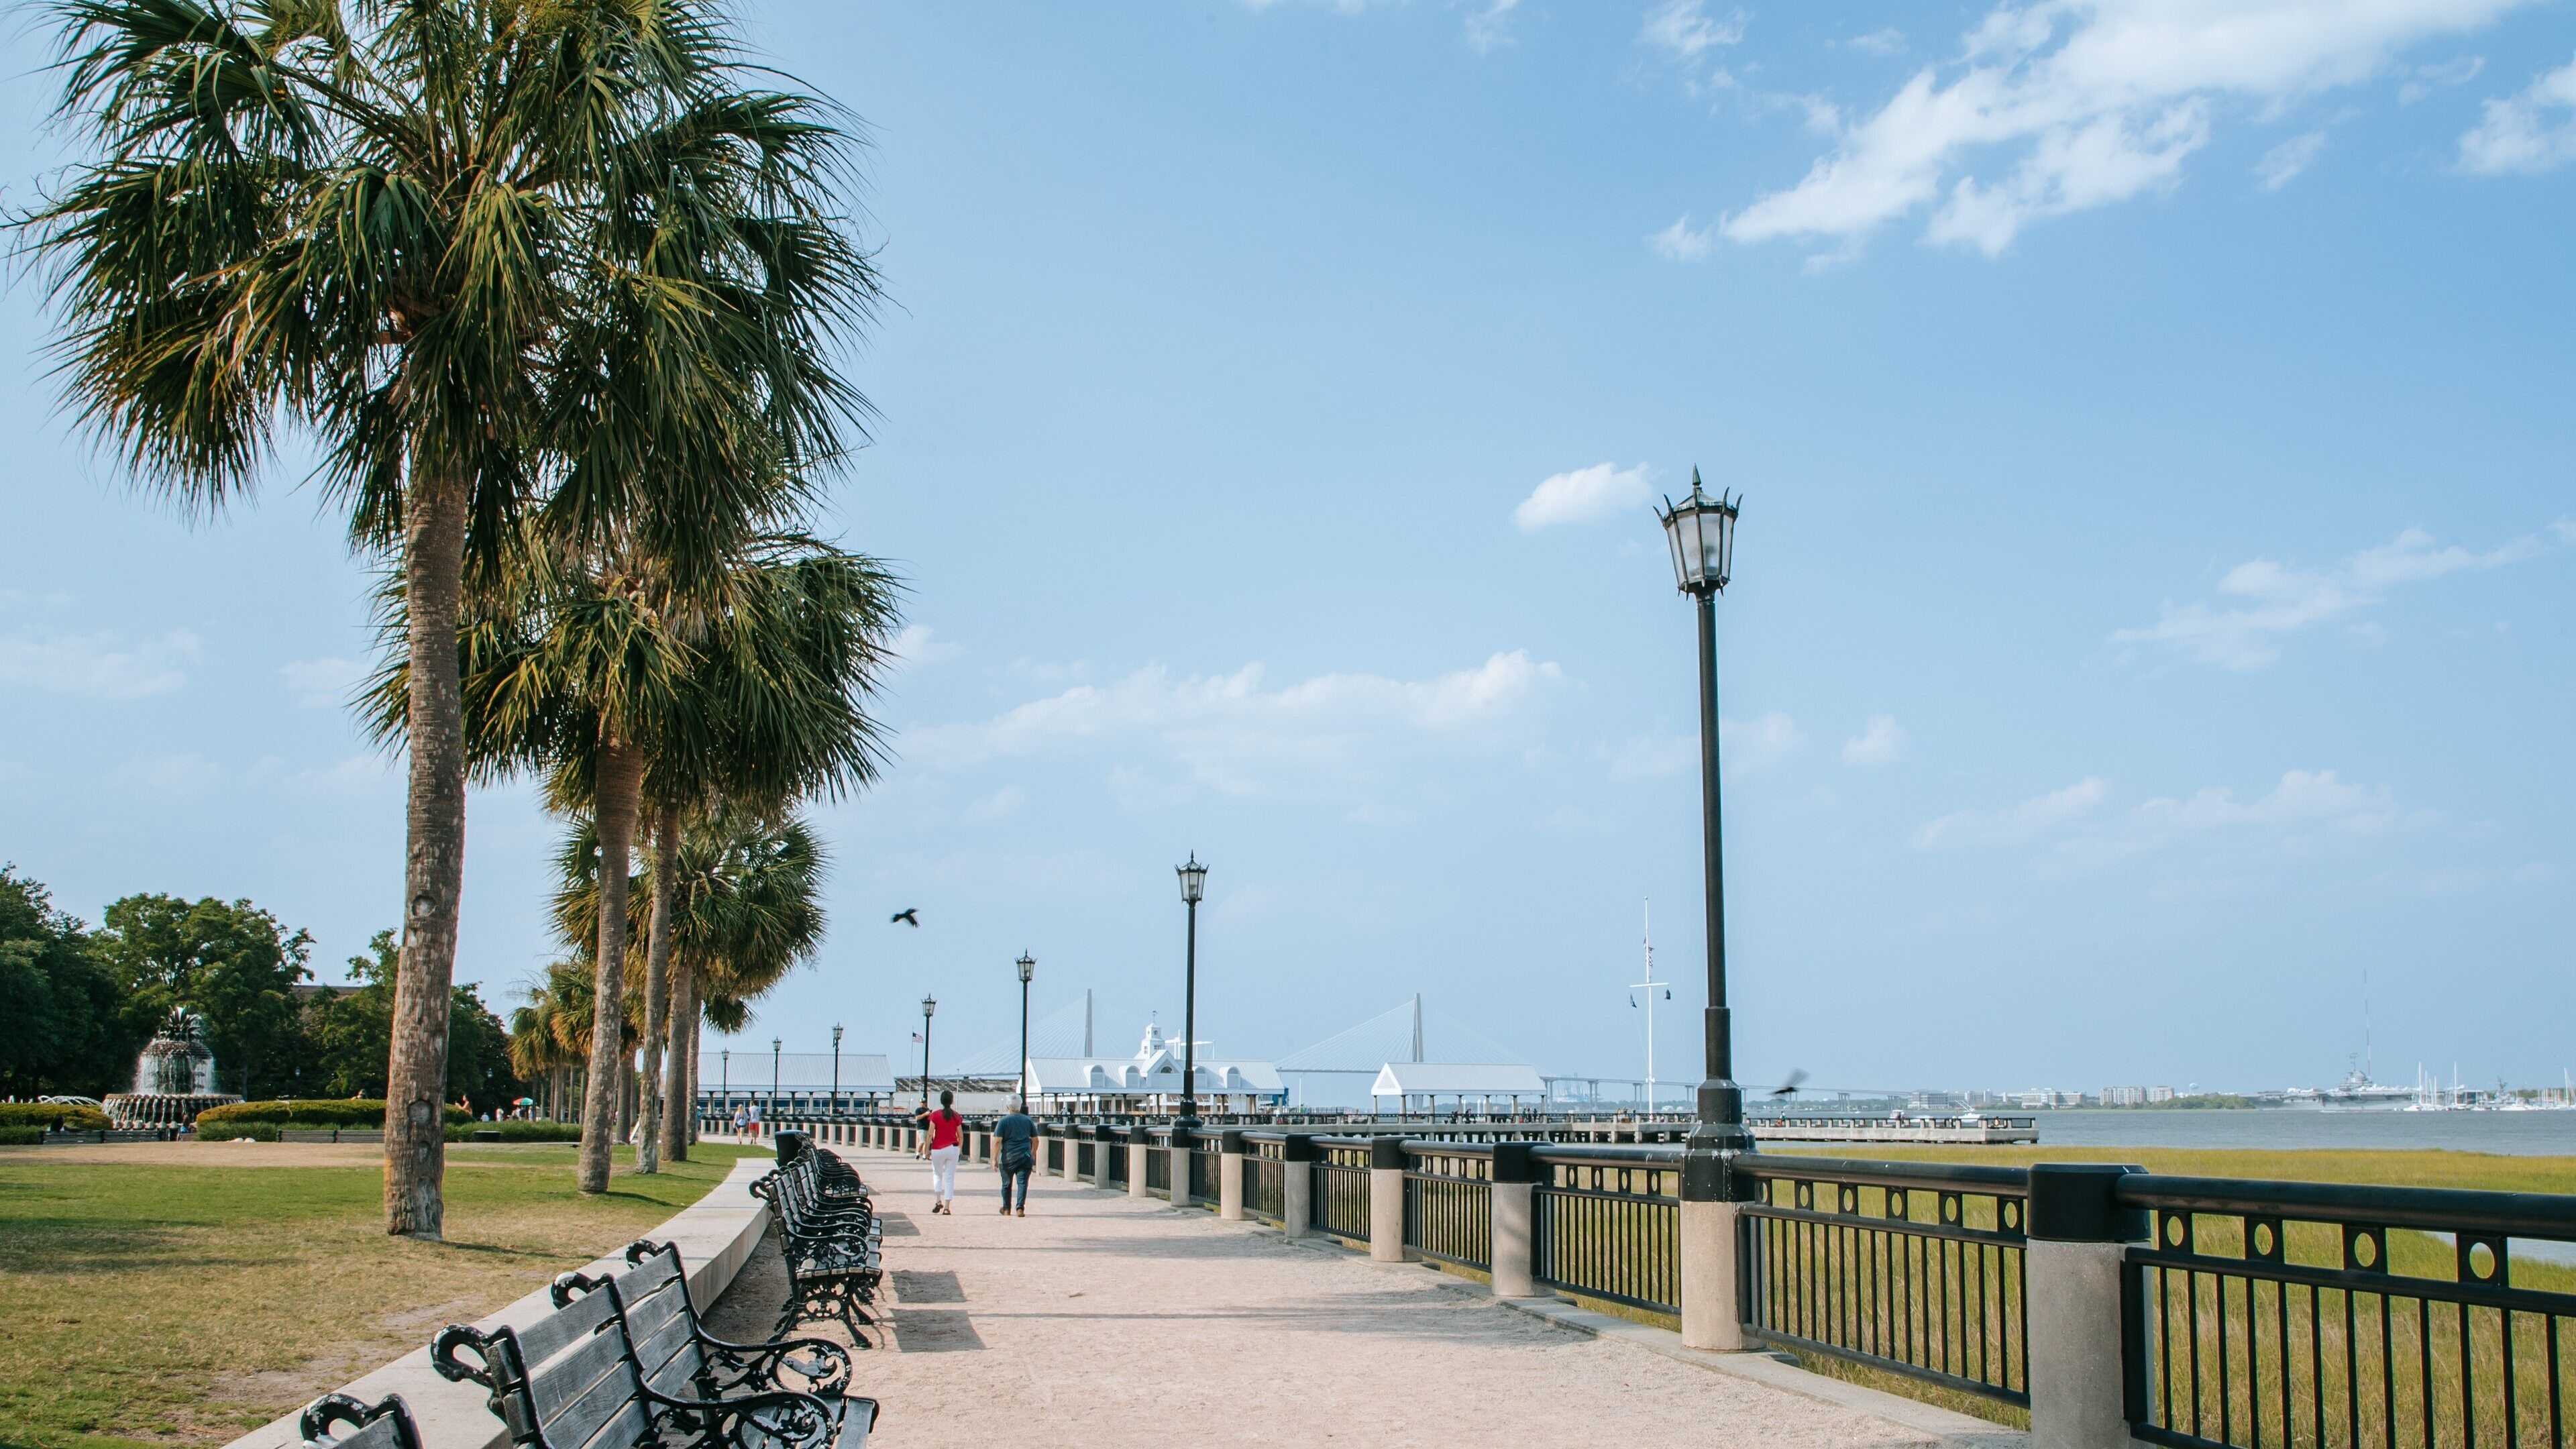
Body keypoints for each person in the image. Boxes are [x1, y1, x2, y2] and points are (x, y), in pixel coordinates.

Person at [917, 1090, 964, 1214]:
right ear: (952, 1101)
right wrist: (959, 1149)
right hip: (952, 1148)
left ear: (941, 1101)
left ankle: (938, 1200)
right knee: (950, 1178)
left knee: (937, 1175)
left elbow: (930, 1134)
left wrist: (926, 1150)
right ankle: (947, 1207)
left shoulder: (936, 1115)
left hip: (937, 1149)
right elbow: (960, 1135)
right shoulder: (956, 1116)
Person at [994, 1096, 1036, 1217]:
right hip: (1025, 1157)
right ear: (1021, 1106)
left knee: (1006, 1184)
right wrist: (1033, 1153)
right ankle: (1020, 1208)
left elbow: (997, 1141)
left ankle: (1006, 1209)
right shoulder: (1028, 1120)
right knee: (1022, 1183)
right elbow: (1036, 1140)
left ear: (1008, 1106)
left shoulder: (1003, 1121)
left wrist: (994, 1159)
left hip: (1008, 1158)